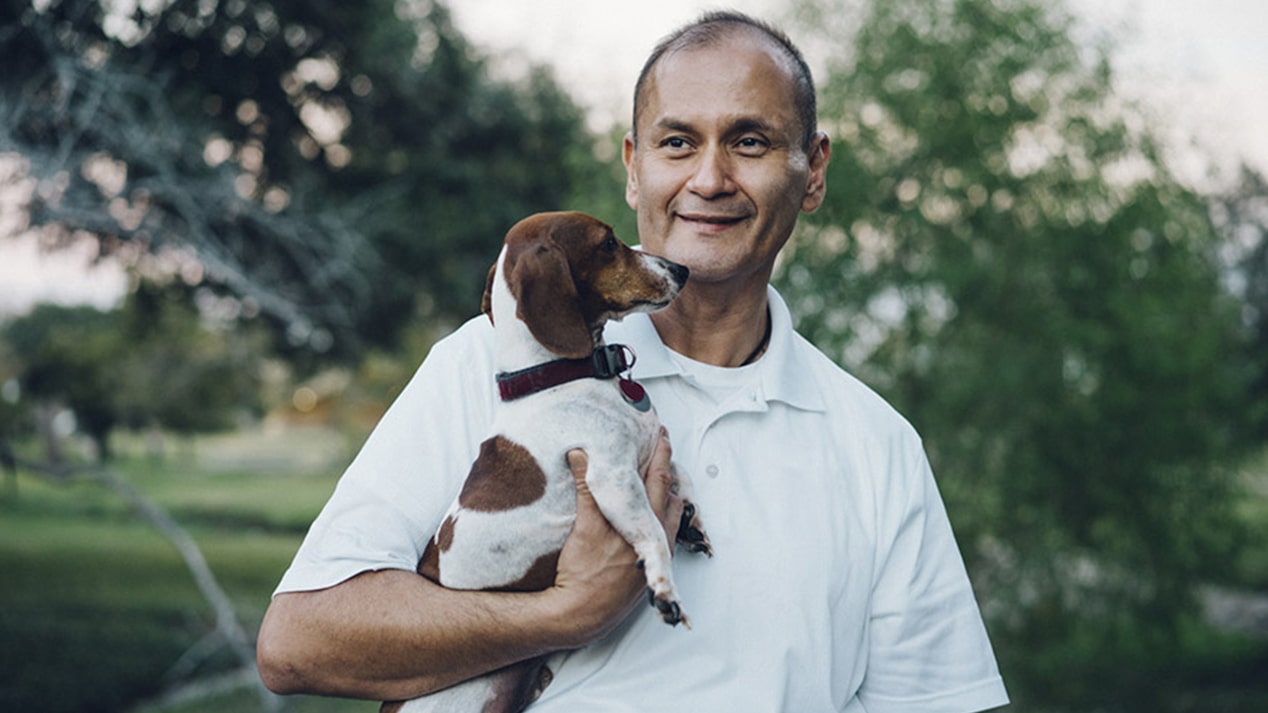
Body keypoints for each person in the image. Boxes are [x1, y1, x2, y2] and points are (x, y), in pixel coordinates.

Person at [257, 11, 1009, 712]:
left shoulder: (879, 447)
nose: (709, 179)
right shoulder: (484, 369)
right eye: (677, 142)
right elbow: (298, 642)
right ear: (633, 165)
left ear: (811, 171)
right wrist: (568, 612)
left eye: (748, 142)